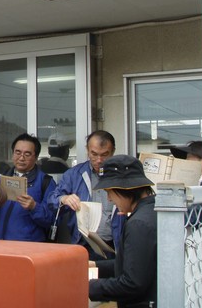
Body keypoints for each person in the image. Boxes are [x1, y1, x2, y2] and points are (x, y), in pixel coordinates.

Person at [88, 155, 157, 307]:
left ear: (124, 189)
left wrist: (89, 286)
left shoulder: (139, 223)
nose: (110, 199)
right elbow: (136, 264)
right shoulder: (152, 211)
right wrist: (95, 265)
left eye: (110, 192)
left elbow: (132, 283)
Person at [48, 130, 123, 256]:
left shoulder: (122, 176)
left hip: (114, 245)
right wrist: (64, 199)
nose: (99, 160)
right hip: (84, 244)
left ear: (113, 152)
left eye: (105, 155)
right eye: (94, 154)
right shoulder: (74, 174)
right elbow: (51, 201)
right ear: (87, 150)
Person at [0, 133, 56, 242]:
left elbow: (52, 220)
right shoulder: (3, 178)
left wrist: (34, 207)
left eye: (27, 154)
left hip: (27, 247)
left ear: (35, 157)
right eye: (18, 152)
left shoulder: (45, 182)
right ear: (12, 154)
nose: (21, 158)